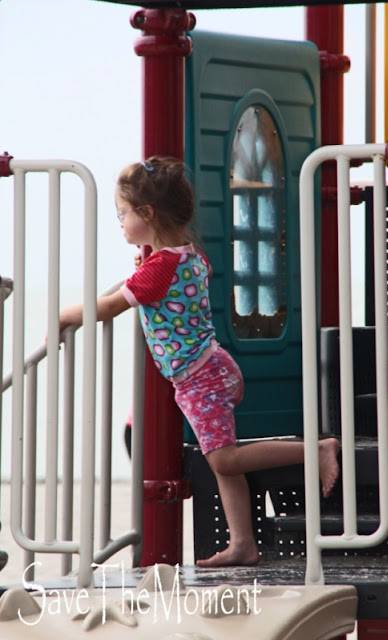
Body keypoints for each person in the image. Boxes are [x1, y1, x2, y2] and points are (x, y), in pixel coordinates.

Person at [58, 155, 340, 568]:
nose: (119, 222)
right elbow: (161, 284)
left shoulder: (158, 270)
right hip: (210, 368)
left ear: (147, 214)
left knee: (223, 459)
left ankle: (315, 450)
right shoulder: (186, 256)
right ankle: (243, 544)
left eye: (122, 213)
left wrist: (60, 317)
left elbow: (107, 309)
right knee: (223, 463)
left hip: (199, 379)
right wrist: (144, 261)